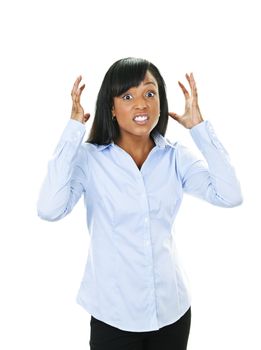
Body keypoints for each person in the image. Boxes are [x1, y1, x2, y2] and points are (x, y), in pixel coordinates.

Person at [37, 57, 243, 350]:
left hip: (171, 312)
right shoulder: (89, 159)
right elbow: (49, 209)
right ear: (111, 107)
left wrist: (199, 128)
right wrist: (73, 131)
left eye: (150, 93)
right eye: (127, 96)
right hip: (114, 317)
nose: (141, 104)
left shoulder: (176, 157)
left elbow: (230, 195)